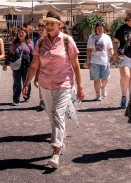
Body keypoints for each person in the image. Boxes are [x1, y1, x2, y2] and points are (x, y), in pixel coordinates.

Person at [22, 12, 85, 169]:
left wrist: (80, 86)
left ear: (60, 25)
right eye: (47, 23)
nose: (49, 25)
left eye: (53, 23)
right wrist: (26, 83)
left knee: (57, 113)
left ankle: (55, 153)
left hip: (63, 83)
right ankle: (60, 141)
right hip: (45, 84)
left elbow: (76, 65)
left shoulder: (67, 40)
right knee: (52, 115)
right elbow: (35, 65)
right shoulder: (41, 42)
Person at [113, 11, 131, 108]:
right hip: (124, 56)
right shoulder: (122, 28)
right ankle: (124, 96)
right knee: (125, 75)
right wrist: (115, 52)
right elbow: (115, 41)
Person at [85, 22, 113, 101]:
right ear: (95, 29)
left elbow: (110, 48)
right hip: (94, 61)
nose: (100, 30)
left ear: (103, 28)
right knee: (96, 79)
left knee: (105, 79)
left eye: (101, 28)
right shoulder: (92, 37)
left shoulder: (107, 37)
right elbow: (89, 49)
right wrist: (88, 60)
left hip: (105, 61)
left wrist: (113, 56)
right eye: (98, 28)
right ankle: (98, 94)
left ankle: (103, 87)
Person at [8, 27, 34, 106]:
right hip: (16, 66)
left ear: (26, 34)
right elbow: (10, 53)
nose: (20, 34)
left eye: (22, 32)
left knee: (27, 82)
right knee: (17, 83)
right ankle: (16, 99)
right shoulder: (14, 42)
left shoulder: (29, 42)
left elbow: (32, 55)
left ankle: (26, 96)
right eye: (19, 32)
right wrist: (6, 63)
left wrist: (33, 65)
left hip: (27, 66)